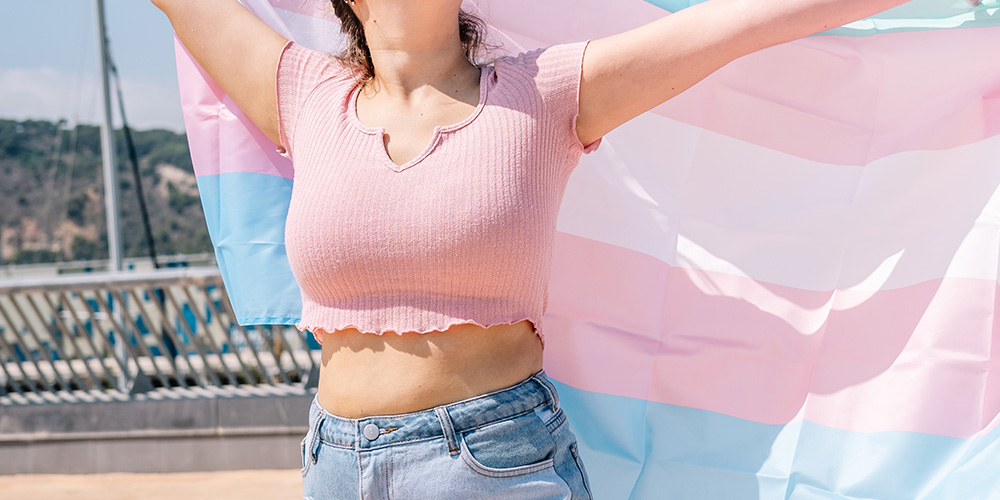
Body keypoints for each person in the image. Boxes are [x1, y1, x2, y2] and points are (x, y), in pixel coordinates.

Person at [153, 0, 914, 498]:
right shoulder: (303, 95)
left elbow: (739, 22)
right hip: (334, 463)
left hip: (492, 460)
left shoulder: (542, 92)